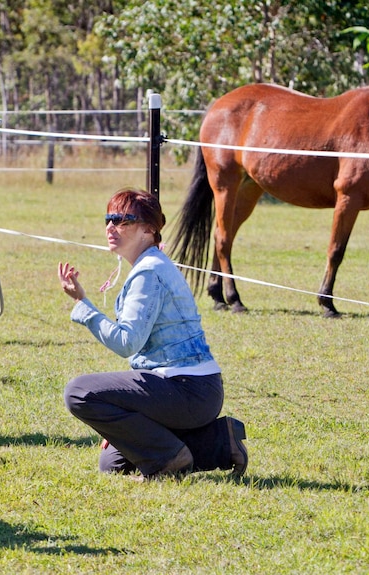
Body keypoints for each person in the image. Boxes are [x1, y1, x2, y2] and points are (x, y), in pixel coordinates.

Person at [58, 188, 248, 480]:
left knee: (78, 392)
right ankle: (222, 442)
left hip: (188, 390)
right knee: (112, 463)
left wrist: (85, 308)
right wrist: (121, 426)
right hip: (189, 390)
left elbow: (126, 343)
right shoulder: (150, 264)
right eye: (108, 219)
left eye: (122, 220)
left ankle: (171, 461)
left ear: (148, 229)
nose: (111, 227)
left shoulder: (149, 272)